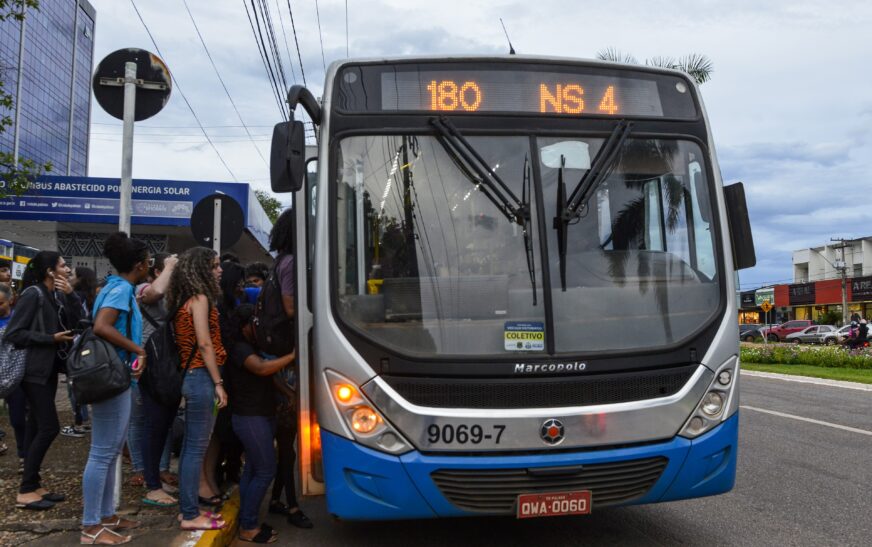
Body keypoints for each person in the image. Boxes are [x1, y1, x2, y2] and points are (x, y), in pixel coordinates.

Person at [80, 232, 151, 544]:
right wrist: (138, 350)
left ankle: (106, 516)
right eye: (149, 262)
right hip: (112, 377)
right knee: (102, 452)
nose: (151, 266)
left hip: (117, 377)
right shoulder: (121, 289)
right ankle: (90, 527)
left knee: (109, 452)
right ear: (138, 265)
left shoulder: (119, 286)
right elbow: (102, 326)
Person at [4, 251, 83, 510]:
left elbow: (78, 321)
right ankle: (26, 489)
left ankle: (34, 483)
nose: (67, 268)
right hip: (32, 372)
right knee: (49, 427)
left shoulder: (56, 295)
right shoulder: (33, 294)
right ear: (50, 271)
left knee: (37, 426)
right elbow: (15, 333)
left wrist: (70, 294)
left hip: (48, 371)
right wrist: (50, 339)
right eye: (62, 265)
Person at [166, 247, 228, 531]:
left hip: (191, 377)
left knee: (193, 448)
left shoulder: (183, 301)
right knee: (195, 449)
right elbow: (204, 344)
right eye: (214, 266)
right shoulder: (200, 299)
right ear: (201, 269)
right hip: (202, 377)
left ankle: (188, 511)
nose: (219, 270)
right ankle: (190, 514)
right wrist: (218, 383)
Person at [226, 304, 294, 543]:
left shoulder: (252, 345)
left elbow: (270, 377)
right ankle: (248, 527)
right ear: (244, 326)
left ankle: (248, 519)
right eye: (255, 322)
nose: (259, 326)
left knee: (254, 469)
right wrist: (293, 356)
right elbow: (262, 368)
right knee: (266, 469)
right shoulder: (239, 348)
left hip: (261, 414)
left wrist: (288, 393)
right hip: (249, 416)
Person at [265, 209, 312, 528]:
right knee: (288, 439)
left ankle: (279, 500)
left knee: (288, 439)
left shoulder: (278, 262)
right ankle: (291, 506)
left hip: (276, 354)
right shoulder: (292, 263)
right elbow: (291, 307)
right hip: (288, 359)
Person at [138, 252, 183, 507]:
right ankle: (151, 485)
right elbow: (152, 294)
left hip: (166, 366)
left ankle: (156, 476)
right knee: (153, 426)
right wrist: (168, 266)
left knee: (163, 425)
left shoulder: (170, 292)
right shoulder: (146, 287)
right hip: (150, 366)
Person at [60, 266, 99, 438]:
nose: (69, 277)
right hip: (92, 346)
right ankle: (87, 420)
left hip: (76, 346)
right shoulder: (95, 297)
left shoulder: (75, 298)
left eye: (73, 275)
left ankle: (79, 423)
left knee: (74, 385)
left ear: (80, 279)